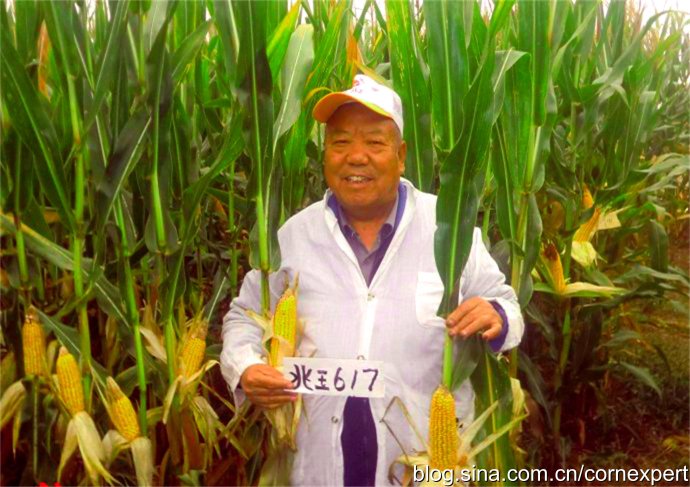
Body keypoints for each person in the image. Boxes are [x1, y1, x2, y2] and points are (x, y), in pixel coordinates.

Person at [220, 75, 524, 486]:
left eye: (375, 143)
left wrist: (497, 316)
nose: (356, 157)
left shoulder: (450, 230)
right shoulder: (292, 238)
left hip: (423, 461)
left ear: (401, 156)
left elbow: (506, 306)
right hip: (316, 459)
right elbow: (243, 315)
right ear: (324, 155)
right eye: (340, 142)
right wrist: (246, 367)